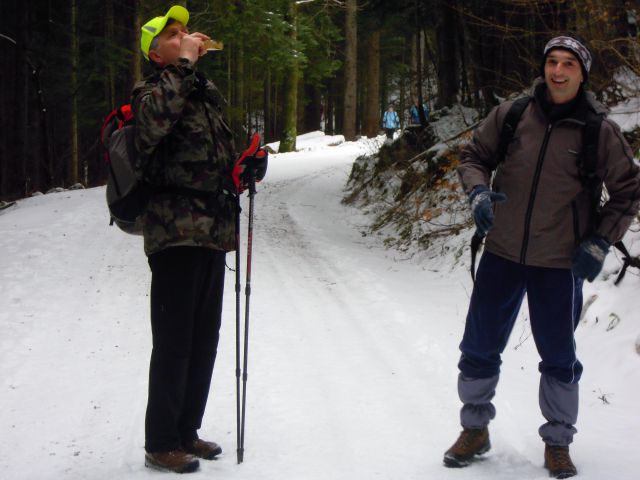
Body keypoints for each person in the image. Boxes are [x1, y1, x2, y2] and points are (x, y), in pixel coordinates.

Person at [444, 35, 640, 478]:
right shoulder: (513, 115)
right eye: (552, 61)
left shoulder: (598, 131)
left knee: (558, 356)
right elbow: (474, 155)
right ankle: (474, 429)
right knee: (478, 346)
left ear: (582, 72)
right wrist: (477, 191)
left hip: (559, 263)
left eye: (568, 63)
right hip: (502, 251)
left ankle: (557, 441)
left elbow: (628, 191)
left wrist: (599, 241)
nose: (558, 71)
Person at [132, 5, 265, 473]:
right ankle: (161, 442)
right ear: (155, 52)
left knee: (205, 339)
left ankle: (187, 430)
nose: (186, 37)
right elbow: (150, 128)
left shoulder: (204, 97)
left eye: (187, 31)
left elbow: (217, 158)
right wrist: (185, 65)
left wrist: (245, 167)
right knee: (174, 340)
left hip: (212, 229)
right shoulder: (151, 90)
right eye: (173, 35)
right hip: (174, 231)